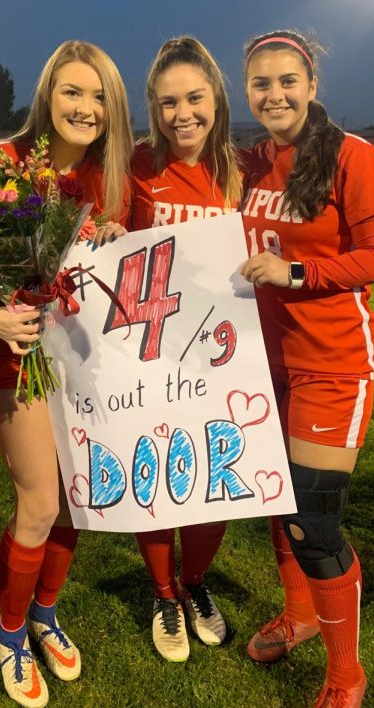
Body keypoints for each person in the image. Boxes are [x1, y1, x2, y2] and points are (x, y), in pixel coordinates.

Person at [239, 30, 374, 708]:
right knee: (280, 503)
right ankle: (299, 613)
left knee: (314, 521)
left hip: (330, 364)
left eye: (285, 81)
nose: (273, 94)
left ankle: (345, 675)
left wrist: (293, 271)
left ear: (309, 85)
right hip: (258, 362)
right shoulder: (247, 163)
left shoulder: (351, 157)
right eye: (259, 84)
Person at [0, 40, 133, 707]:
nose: (86, 108)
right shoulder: (0, 164)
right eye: (72, 92)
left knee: (74, 497)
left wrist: (118, 233)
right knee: (39, 501)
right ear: (47, 96)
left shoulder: (113, 176)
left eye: (98, 96)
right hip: (15, 361)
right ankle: (9, 633)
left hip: (85, 363)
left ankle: (44, 611)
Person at [130, 36, 243, 662]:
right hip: (152, 356)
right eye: (168, 102)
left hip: (224, 355)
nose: (183, 114)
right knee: (159, 467)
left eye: (194, 98)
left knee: (213, 475)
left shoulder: (239, 169)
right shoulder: (138, 166)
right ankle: (163, 591)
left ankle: (195, 582)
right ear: (154, 107)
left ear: (215, 97)